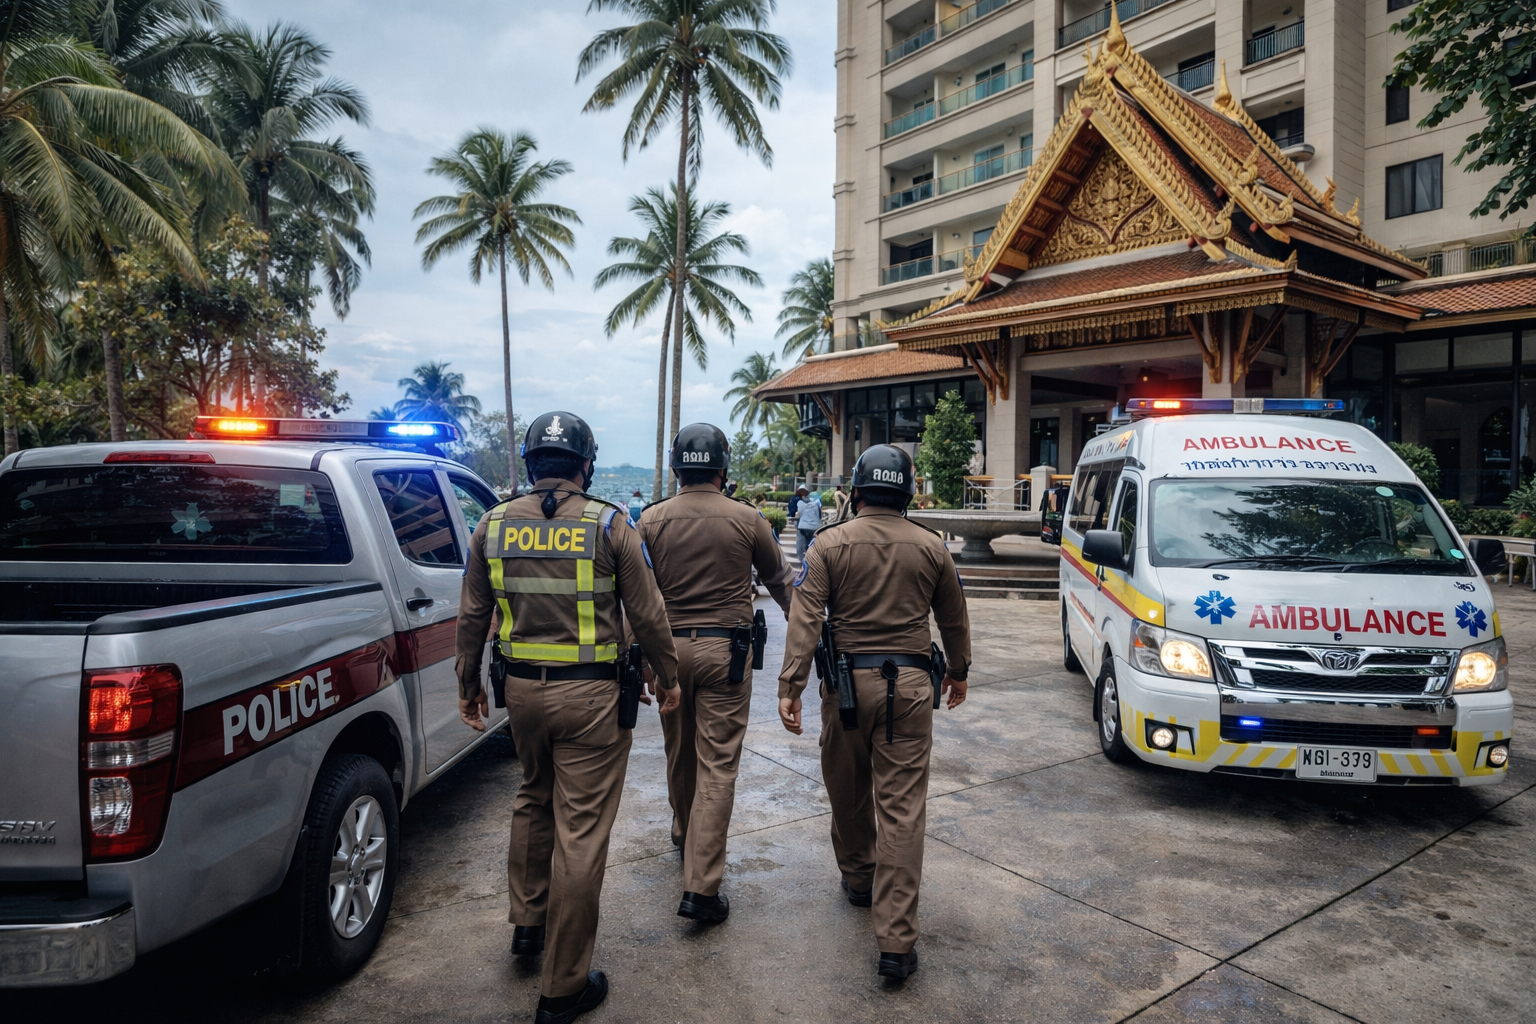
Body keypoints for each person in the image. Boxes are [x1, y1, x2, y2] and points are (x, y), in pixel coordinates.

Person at [456, 410, 681, 1024]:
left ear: (531, 464)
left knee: (534, 796)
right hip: (590, 700)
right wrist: (666, 676)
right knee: (580, 831)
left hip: (521, 696)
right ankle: (563, 987)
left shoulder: (492, 524)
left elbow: (472, 616)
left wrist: (467, 685)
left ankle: (528, 924)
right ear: (587, 465)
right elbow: (648, 613)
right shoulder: (610, 524)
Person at [776, 444, 971, 981]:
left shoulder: (827, 544)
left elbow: (805, 618)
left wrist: (791, 685)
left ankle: (860, 878)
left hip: (844, 686)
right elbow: (954, 618)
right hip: (909, 688)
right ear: (906, 493)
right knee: (902, 810)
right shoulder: (932, 547)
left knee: (847, 788)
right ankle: (896, 943)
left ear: (857, 492)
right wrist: (958, 670)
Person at [639, 423, 795, 923]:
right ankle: (701, 888)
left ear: (675, 468)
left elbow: (633, 597)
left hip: (667, 652)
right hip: (726, 654)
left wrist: (635, 657)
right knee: (717, 763)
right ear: (723, 469)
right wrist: (807, 643)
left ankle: (685, 830)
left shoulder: (649, 520)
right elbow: (783, 583)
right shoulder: (748, 519)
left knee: (679, 751)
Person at [794, 485, 821, 562]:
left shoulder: (799, 502)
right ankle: (810, 562)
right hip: (815, 527)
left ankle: (804, 563)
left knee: (800, 550)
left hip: (803, 527)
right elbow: (820, 514)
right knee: (811, 547)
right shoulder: (817, 502)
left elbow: (796, 514)